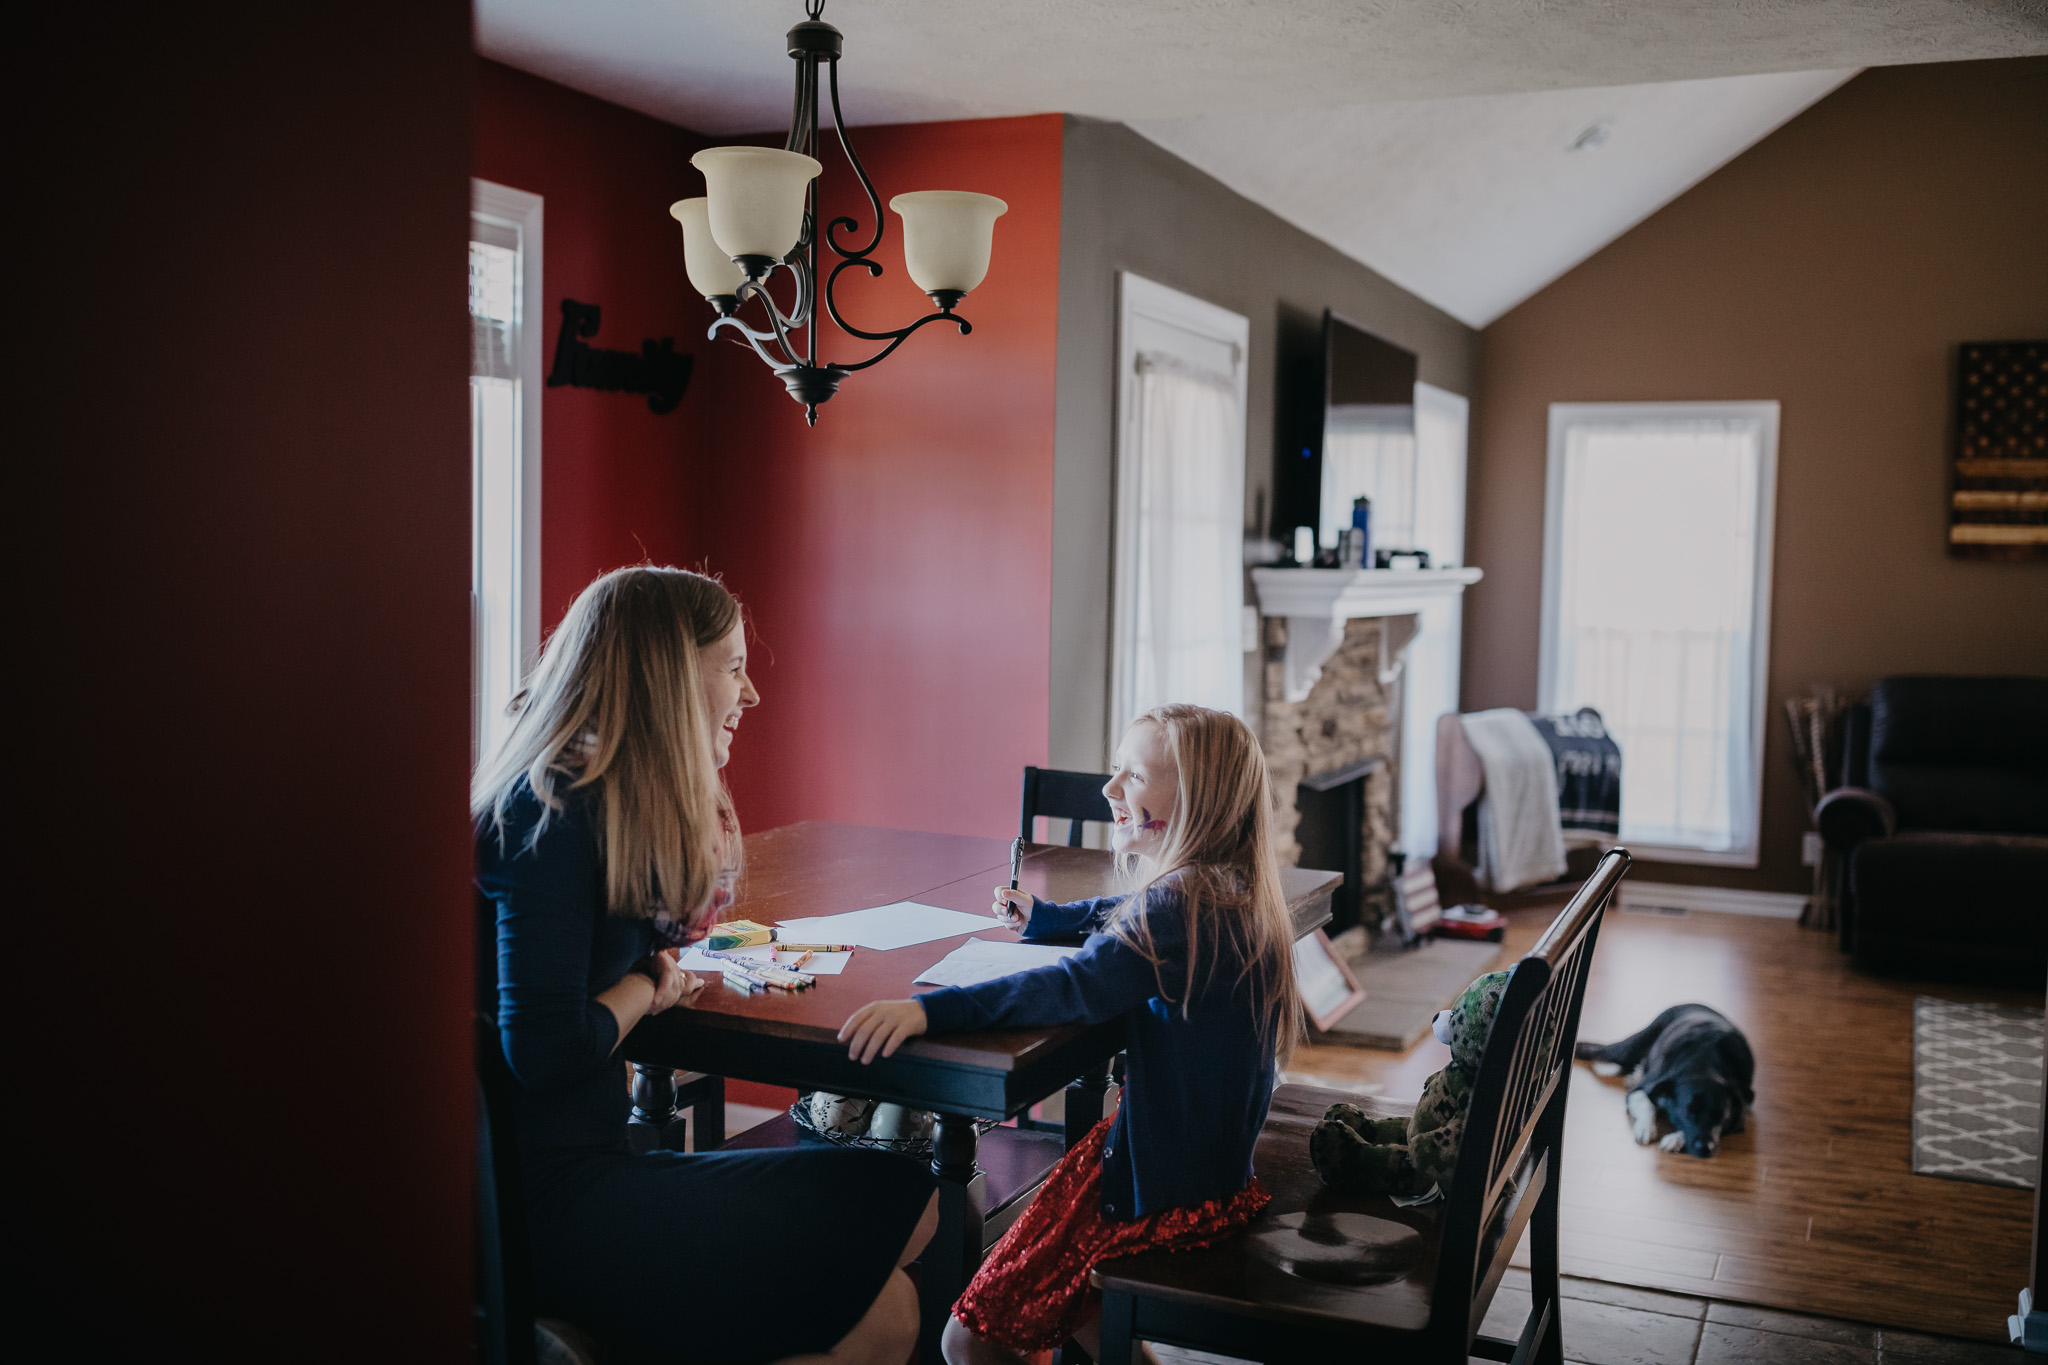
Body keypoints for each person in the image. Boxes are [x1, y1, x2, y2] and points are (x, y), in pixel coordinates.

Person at [474, 566, 938, 1364]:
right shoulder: (547, 809)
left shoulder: (594, 800)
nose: (751, 693)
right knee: (898, 1247)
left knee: (908, 1245)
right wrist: (646, 984)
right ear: (667, 677)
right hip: (540, 1205)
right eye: (732, 665)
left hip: (594, 1165)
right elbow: (542, 1048)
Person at [838, 704, 1302, 1365]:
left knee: (965, 1339)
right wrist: (1048, 917)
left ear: (1193, 800)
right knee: (1080, 1301)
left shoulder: (1178, 906)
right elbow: (1122, 912)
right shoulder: (1228, 890)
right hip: (1211, 1177)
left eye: (1132, 775)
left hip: (1159, 1190)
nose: (1109, 790)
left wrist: (928, 1012)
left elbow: (1070, 987)